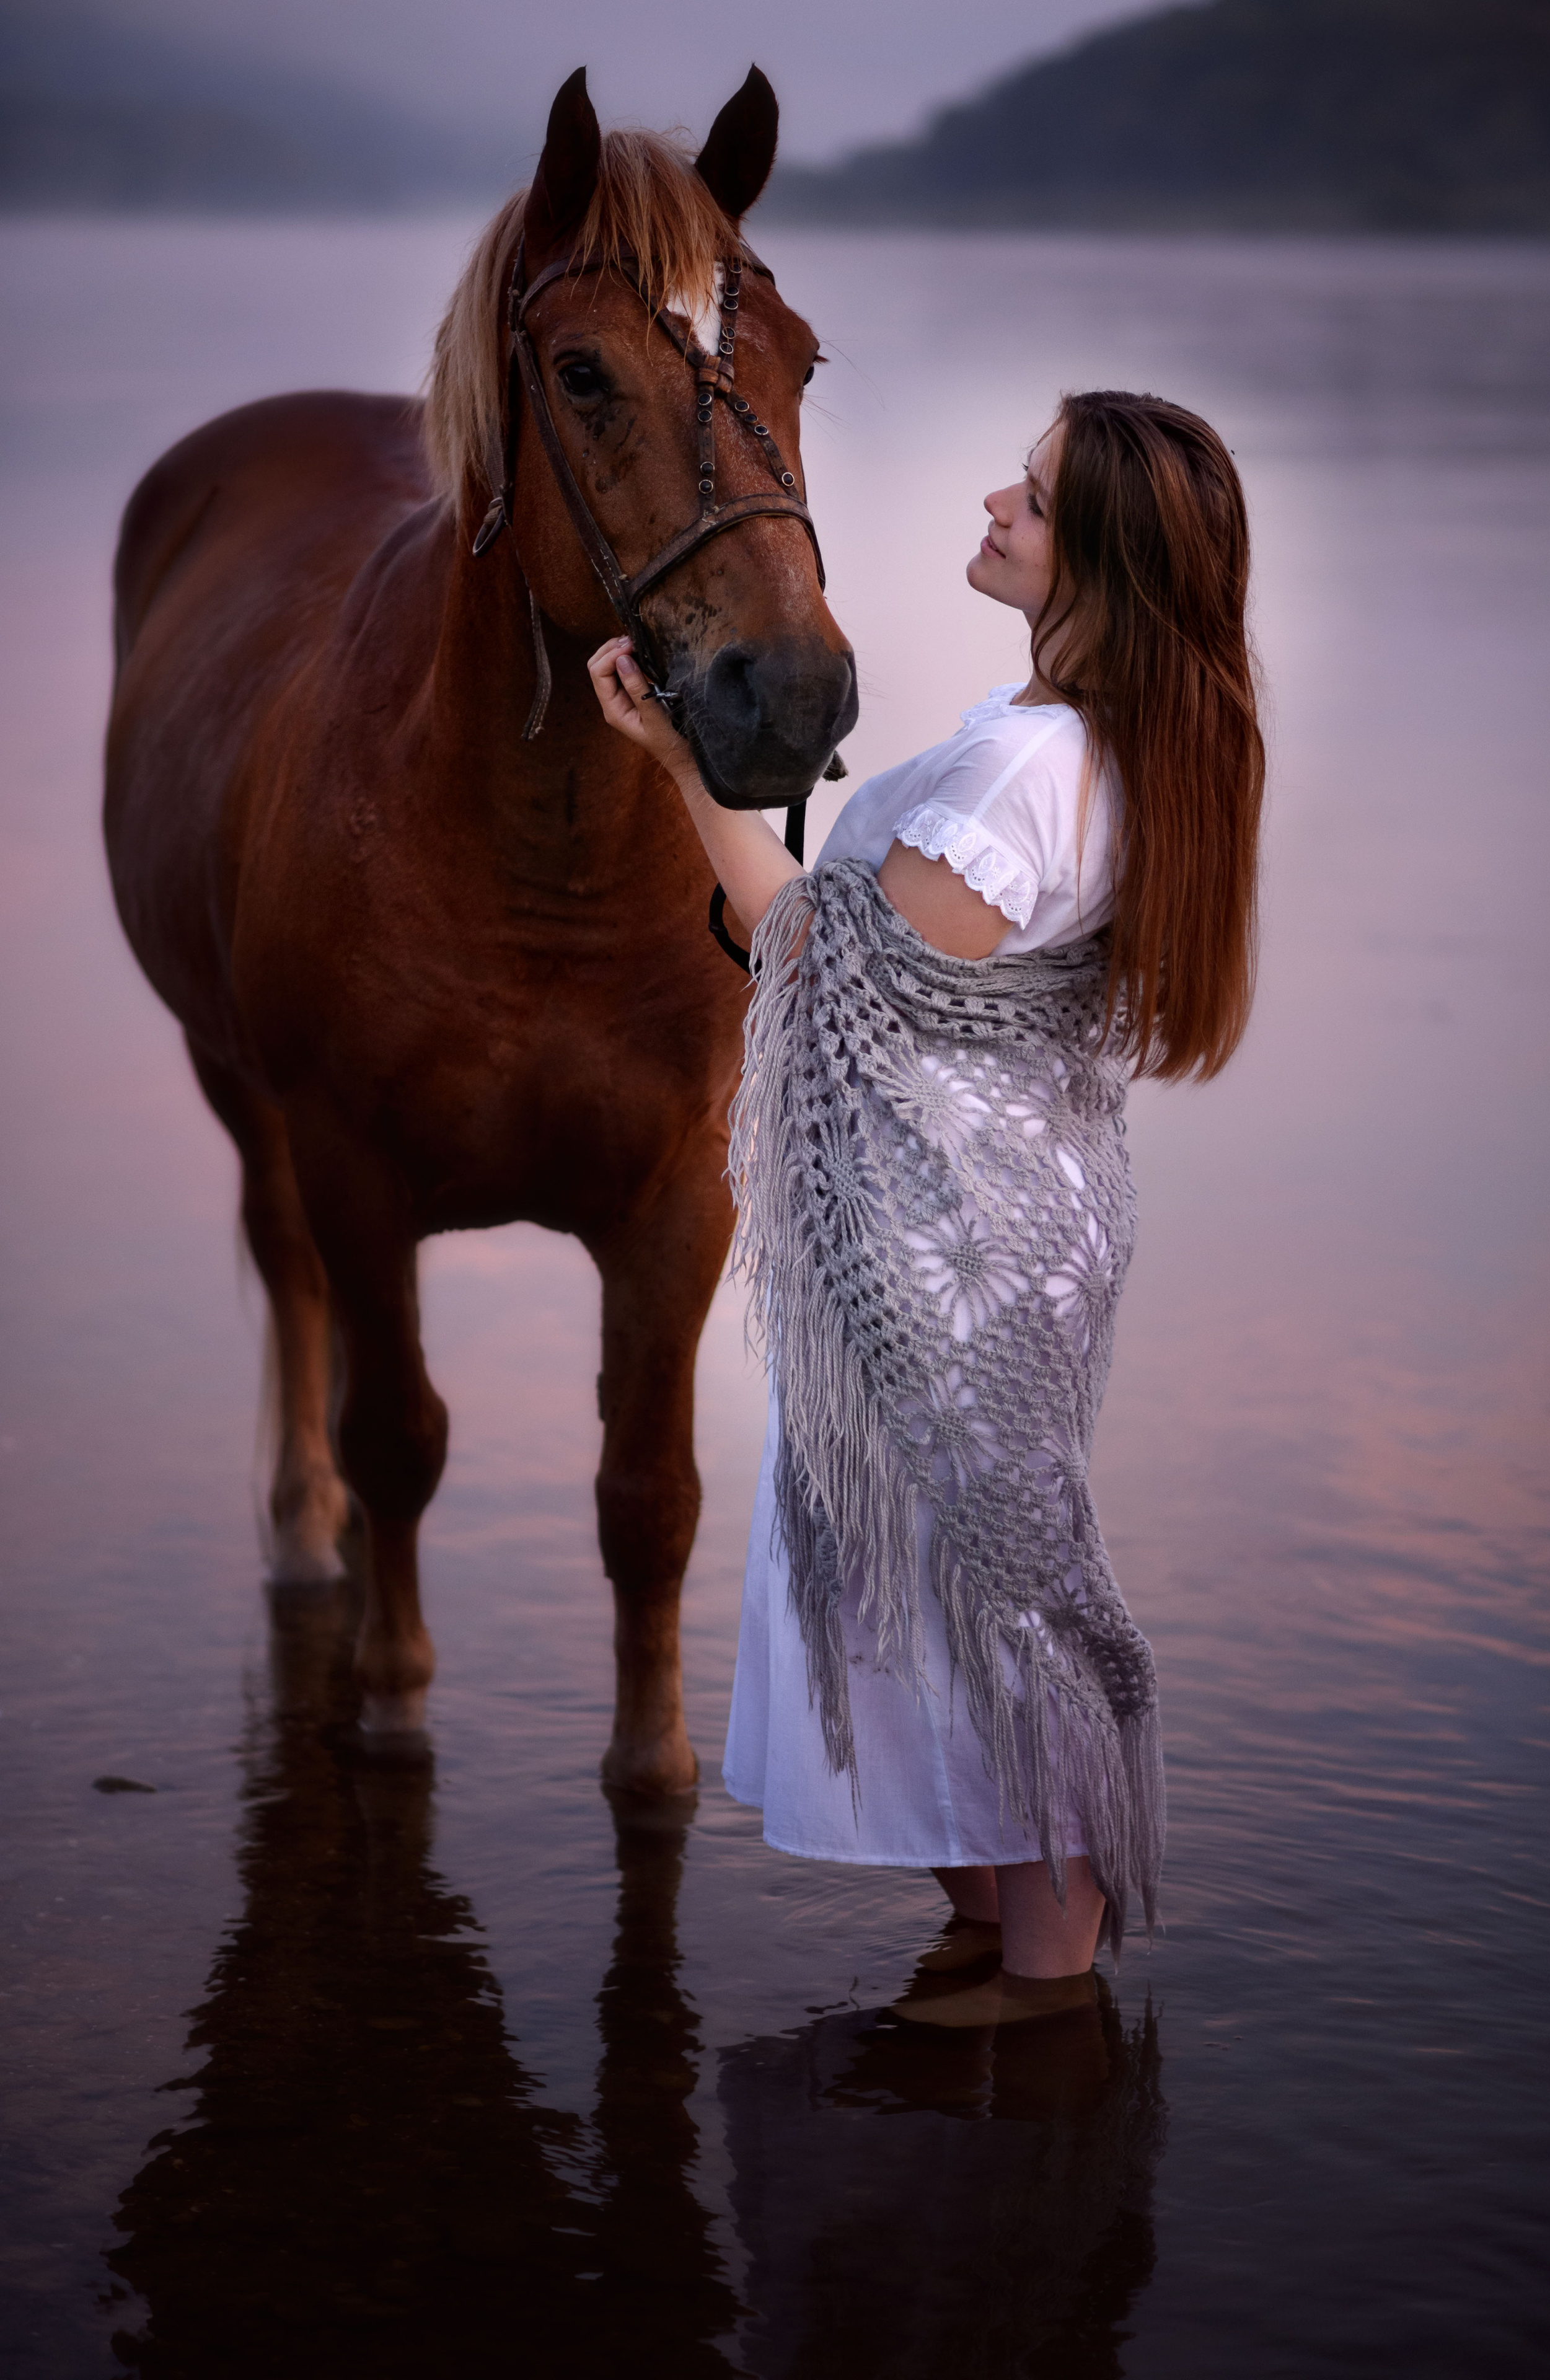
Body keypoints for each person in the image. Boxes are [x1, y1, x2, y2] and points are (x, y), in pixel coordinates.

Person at [589, 389, 1264, 2025]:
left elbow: (826, 971)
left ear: (1094, 555)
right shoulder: (1090, 739)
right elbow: (879, 962)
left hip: (953, 1252)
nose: (990, 505)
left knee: (971, 1592)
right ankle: (1005, 1933)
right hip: (1001, 1216)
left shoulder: (1031, 766)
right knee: (926, 1578)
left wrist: (678, 767)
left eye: (1026, 501)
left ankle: (1049, 1974)